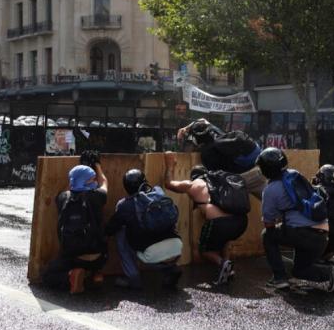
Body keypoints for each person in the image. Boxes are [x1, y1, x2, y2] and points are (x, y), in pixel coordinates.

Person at [257, 148, 334, 292]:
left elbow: (268, 223)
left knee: (267, 235)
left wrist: (280, 220)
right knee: (300, 271)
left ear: (266, 170)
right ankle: (331, 273)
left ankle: (279, 278)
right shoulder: (294, 175)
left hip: (302, 235)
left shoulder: (270, 190)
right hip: (322, 236)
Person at [162, 152, 248, 285]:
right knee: (225, 240)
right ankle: (228, 269)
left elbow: (169, 184)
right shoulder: (221, 181)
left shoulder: (194, 185)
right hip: (241, 222)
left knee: (205, 250)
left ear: (194, 176)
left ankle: (223, 263)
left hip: (220, 224)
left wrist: (170, 164)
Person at [104, 169, 183, 289]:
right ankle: (170, 269)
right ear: (145, 182)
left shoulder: (124, 205)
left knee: (120, 232)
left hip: (152, 254)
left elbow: (110, 229)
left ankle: (133, 279)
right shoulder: (159, 193)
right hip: (176, 246)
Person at [42, 157, 108, 294]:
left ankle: (71, 275)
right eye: (92, 179)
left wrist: (78, 170)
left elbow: (70, 188)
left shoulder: (63, 198)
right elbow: (104, 183)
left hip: (74, 257)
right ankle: (96, 273)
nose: (95, 181)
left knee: (48, 276)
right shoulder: (98, 196)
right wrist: (97, 165)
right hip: (100, 256)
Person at [177, 118, 265, 196]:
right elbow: (203, 120)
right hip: (260, 166)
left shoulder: (207, 154)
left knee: (220, 196)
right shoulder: (214, 131)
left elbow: (216, 177)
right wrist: (187, 127)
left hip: (247, 176)